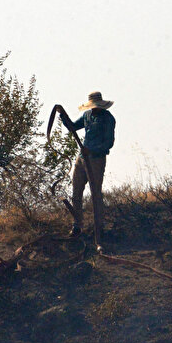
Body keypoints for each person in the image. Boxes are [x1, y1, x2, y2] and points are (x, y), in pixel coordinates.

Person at [62, 91, 116, 249]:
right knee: (76, 191)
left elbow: (109, 143)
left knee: (95, 194)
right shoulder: (86, 116)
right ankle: (77, 225)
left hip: (97, 159)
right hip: (82, 159)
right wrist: (63, 117)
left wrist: (92, 150)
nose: (94, 109)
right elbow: (72, 127)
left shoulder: (108, 118)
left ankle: (99, 229)